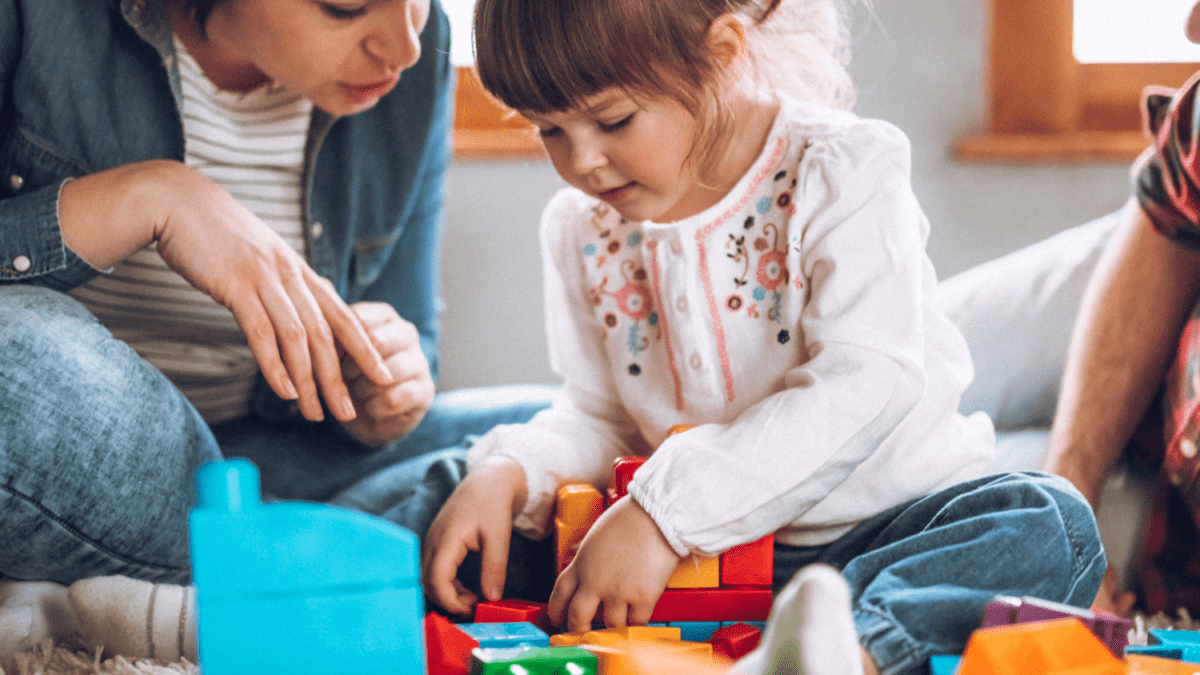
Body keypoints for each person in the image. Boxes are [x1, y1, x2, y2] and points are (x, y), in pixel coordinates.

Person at [420, 0, 1107, 672]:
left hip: (888, 530)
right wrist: (510, 472)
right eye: (549, 130)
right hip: (699, 565)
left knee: (1051, 523)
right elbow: (599, 415)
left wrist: (665, 515)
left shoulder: (840, 170)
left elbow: (870, 379)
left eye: (612, 119)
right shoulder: (581, 229)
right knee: (467, 498)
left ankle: (847, 651)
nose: (583, 161)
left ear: (722, 55)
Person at [0, 0, 550, 592]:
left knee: (552, 435)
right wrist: (151, 198)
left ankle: (212, 579)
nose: (405, 49)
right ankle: (314, 566)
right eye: (347, 8)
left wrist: (387, 390)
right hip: (101, 451)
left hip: (272, 453)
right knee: (15, 358)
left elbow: (414, 337)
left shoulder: (417, 57)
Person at [1043, 1, 1200, 618]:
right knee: (920, 379)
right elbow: (1166, 228)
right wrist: (1065, 513)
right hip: (1137, 269)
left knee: (948, 491)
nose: (1191, 28)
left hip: (1155, 483)